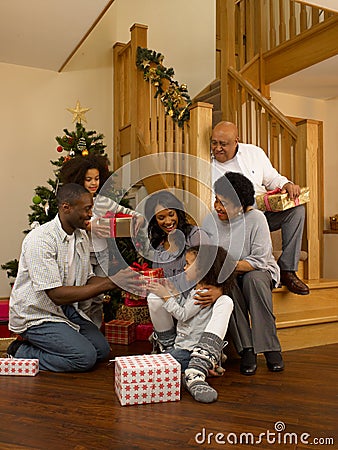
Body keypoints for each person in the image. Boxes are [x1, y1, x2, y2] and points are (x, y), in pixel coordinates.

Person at [8, 183, 139, 372]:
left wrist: (119, 280)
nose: (91, 214)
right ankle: (20, 350)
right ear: (66, 208)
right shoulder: (40, 240)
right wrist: (111, 282)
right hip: (37, 314)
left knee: (101, 351)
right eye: (87, 209)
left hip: (64, 311)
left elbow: (88, 279)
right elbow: (56, 294)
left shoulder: (81, 236)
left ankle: (53, 344)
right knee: (83, 358)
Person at [210, 121, 309, 295]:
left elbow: (272, 179)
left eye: (223, 144)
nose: (217, 148)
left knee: (297, 210)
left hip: (262, 214)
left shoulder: (254, 153)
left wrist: (286, 184)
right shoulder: (206, 164)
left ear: (236, 141)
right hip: (234, 222)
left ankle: (287, 270)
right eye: (214, 142)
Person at [203, 172, 284, 375]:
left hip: (256, 271)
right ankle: (247, 349)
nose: (218, 207)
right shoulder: (210, 220)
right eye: (216, 200)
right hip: (227, 274)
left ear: (241, 206)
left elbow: (259, 261)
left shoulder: (256, 219)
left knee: (254, 281)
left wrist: (225, 266)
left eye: (225, 203)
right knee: (226, 287)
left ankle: (270, 347)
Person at [59, 154, 143, 327]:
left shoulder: (104, 202)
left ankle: (95, 331)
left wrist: (138, 218)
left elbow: (128, 212)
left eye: (96, 179)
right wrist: (89, 227)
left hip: (102, 255)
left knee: (98, 298)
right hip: (81, 254)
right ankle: (83, 333)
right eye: (88, 179)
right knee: (85, 299)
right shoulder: (72, 203)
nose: (93, 183)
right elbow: (66, 225)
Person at [147, 244, 234, 403]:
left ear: (203, 269)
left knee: (160, 364)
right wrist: (173, 293)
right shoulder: (197, 289)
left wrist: (166, 296)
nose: (184, 268)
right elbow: (187, 309)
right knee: (166, 361)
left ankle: (194, 371)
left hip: (188, 349)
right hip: (184, 344)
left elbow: (183, 314)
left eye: (188, 264)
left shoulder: (202, 293)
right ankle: (195, 369)